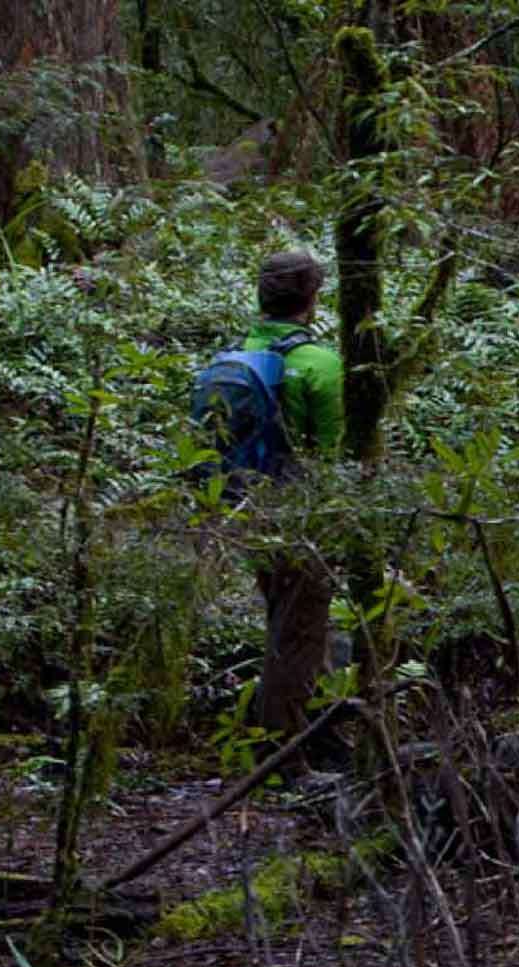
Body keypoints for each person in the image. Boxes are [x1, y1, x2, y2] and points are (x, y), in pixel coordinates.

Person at [191, 249, 344, 743]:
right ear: (313, 298)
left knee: (290, 621)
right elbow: (333, 453)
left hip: (244, 507)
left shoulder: (236, 356)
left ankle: (315, 731)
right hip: (300, 514)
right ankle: (284, 750)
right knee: (299, 630)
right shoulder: (320, 363)